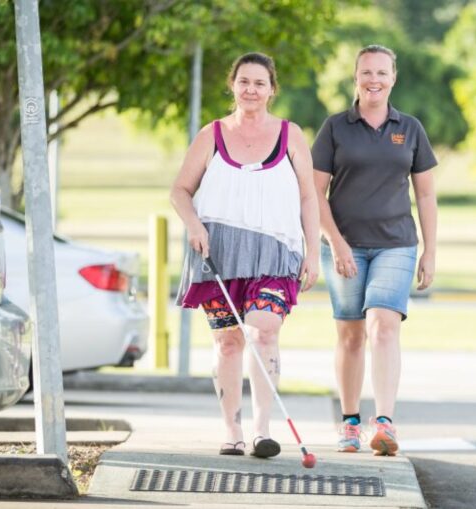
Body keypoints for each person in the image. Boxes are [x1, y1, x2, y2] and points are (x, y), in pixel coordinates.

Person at [171, 52, 319, 458]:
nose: (251, 89)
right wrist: (194, 225)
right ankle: (232, 432)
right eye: (244, 81)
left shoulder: (291, 135)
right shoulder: (211, 135)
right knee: (228, 343)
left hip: (275, 252)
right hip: (219, 251)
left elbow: (309, 197)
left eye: (259, 83)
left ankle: (261, 430)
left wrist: (313, 252)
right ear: (232, 86)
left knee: (264, 330)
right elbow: (180, 190)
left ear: (272, 89)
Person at [311, 44, 437, 456]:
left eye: (381, 73)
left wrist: (430, 251)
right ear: (356, 77)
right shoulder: (335, 128)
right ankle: (349, 422)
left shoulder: (411, 128)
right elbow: (314, 195)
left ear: (393, 78)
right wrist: (336, 242)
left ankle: (383, 422)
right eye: (366, 72)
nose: (374, 80)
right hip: (344, 246)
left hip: (396, 244)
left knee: (383, 324)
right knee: (350, 336)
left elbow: (426, 195)